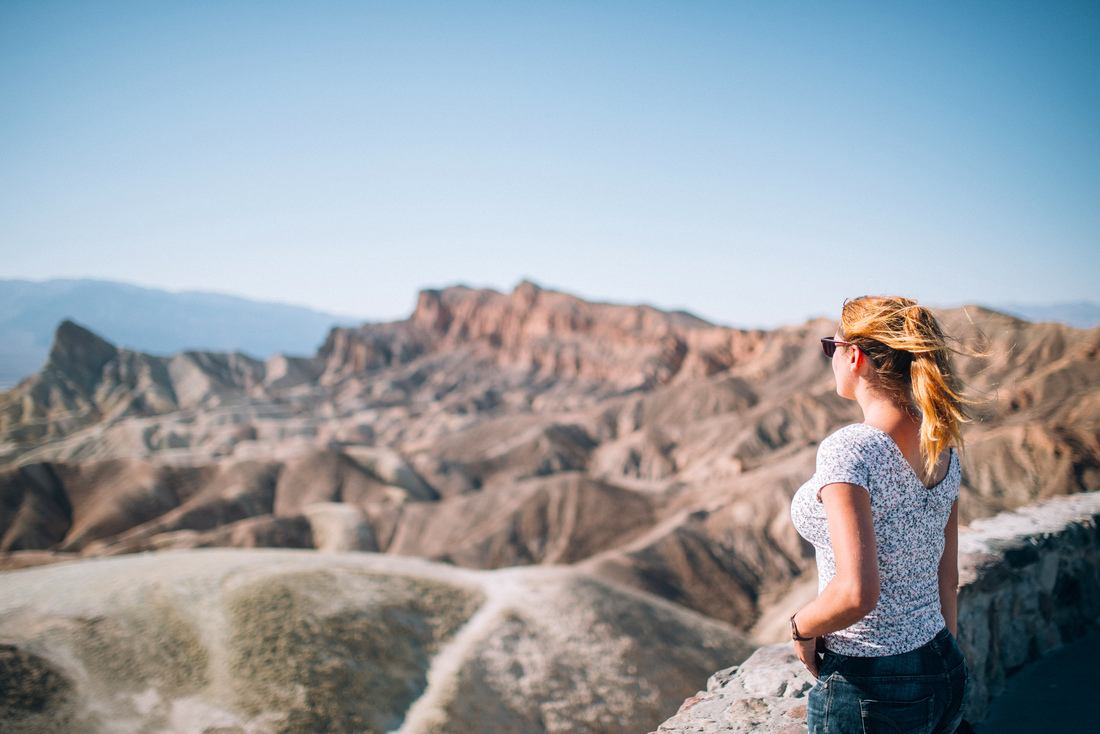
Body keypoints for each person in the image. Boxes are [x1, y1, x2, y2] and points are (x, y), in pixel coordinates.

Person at [788, 295, 983, 734]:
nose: (830, 358)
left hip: (867, 681)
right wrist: (934, 665)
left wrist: (801, 628)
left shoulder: (850, 450)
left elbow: (857, 593)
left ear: (854, 356)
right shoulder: (941, 445)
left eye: (831, 347)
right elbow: (946, 578)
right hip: (942, 661)